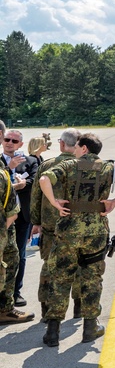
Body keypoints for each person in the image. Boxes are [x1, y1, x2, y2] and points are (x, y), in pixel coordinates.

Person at [37, 132, 115, 346]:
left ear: (84, 148)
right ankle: (90, 327)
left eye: (77, 147)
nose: (74, 150)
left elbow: (44, 178)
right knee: (92, 278)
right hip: (96, 231)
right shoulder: (108, 167)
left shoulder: (68, 166)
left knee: (61, 277)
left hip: (68, 231)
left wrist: (55, 202)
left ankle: (53, 331)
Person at [31, 129, 81, 318]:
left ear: (61, 144)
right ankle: (79, 306)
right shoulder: (85, 166)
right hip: (77, 226)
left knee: (49, 267)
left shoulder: (47, 165)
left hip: (51, 226)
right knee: (78, 265)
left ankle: (47, 309)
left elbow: (36, 196)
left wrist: (36, 222)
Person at [1, 129, 38, 312]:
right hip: (3, 217)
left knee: (19, 255)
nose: (9, 143)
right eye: (7, 139)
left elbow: (36, 180)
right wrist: (9, 168)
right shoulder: (0, 163)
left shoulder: (30, 161)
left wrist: (24, 185)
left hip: (22, 216)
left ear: (21, 145)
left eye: (14, 141)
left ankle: (16, 292)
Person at [0, 158, 25, 325]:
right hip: (3, 234)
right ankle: (5, 309)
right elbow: (12, 213)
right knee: (9, 263)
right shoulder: (2, 175)